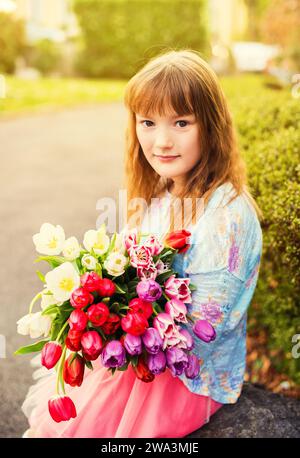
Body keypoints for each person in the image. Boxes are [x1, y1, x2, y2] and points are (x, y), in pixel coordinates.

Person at [21, 49, 263, 438]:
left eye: (181, 122)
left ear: (212, 126)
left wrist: (114, 327)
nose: (162, 141)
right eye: (148, 122)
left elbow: (204, 328)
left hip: (185, 375)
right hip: (140, 354)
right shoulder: (163, 195)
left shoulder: (227, 217)